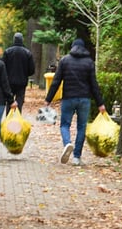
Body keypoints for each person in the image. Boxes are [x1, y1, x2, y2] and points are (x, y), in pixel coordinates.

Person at [44, 38, 106, 166]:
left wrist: (48, 99)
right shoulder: (89, 62)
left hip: (68, 98)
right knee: (81, 127)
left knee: (64, 125)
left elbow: (56, 81)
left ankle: (67, 143)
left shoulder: (65, 60)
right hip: (84, 99)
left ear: (72, 47)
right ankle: (77, 157)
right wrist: (100, 103)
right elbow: (94, 85)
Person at [1, 32, 35, 112]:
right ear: (22, 40)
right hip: (22, 82)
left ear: (14, 40)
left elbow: (3, 67)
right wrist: (25, 74)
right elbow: (32, 70)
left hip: (9, 82)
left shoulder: (7, 52)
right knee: (19, 101)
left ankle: (8, 119)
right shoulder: (27, 53)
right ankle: (17, 118)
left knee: (9, 101)